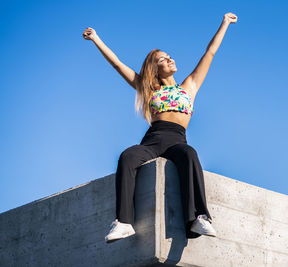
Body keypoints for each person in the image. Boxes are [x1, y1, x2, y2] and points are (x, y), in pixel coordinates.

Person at [82, 12, 238, 243]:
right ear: (154, 70)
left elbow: (210, 52)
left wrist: (224, 23)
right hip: (153, 139)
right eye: (163, 60)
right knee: (128, 156)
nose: (169, 60)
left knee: (189, 154)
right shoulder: (148, 90)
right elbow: (117, 64)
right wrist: (96, 39)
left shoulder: (189, 86)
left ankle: (199, 217)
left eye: (169, 56)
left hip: (178, 140)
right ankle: (124, 222)